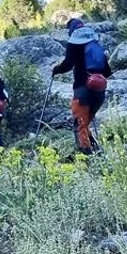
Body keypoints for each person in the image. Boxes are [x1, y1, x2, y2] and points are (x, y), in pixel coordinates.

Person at [52, 18, 112, 156]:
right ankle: (97, 152)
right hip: (99, 92)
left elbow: (67, 65)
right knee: (84, 124)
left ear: (71, 30)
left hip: (82, 91)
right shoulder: (95, 42)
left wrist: (56, 70)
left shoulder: (73, 43)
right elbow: (107, 72)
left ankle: (86, 157)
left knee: (79, 126)